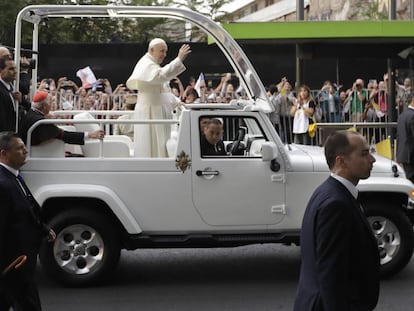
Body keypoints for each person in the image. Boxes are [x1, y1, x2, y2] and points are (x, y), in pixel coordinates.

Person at [294, 130, 380, 311]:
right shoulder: (336, 204)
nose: (372, 159)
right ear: (341, 161)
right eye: (364, 154)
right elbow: (331, 274)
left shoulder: (328, 191)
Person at [0, 131, 56, 311]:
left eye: (24, 147)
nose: (25, 151)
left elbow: (26, 209)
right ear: (4, 154)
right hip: (13, 264)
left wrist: (43, 229)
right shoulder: (2, 183)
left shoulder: (14, 176)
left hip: (21, 263)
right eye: (20, 148)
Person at [126, 38, 191, 157]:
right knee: (151, 148)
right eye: (162, 51)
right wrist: (179, 59)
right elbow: (161, 76)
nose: (164, 55)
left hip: (158, 111)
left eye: (165, 52)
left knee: (161, 145)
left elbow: (163, 91)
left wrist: (177, 102)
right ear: (151, 50)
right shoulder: (145, 63)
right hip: (150, 113)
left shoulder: (153, 65)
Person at [19, 91, 104, 147]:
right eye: (51, 103)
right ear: (44, 106)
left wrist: (45, 116)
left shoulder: (32, 113)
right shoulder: (40, 122)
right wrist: (90, 135)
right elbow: (63, 135)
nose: (52, 105)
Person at [0, 55, 30, 132]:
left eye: (15, 68)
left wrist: (21, 100)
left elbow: (28, 106)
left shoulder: (13, 87)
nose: (15, 71)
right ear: (1, 70)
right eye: (11, 69)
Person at [397, 92, 414, 184]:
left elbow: (399, 136)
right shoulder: (412, 115)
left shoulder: (402, 115)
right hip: (411, 155)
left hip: (404, 154)